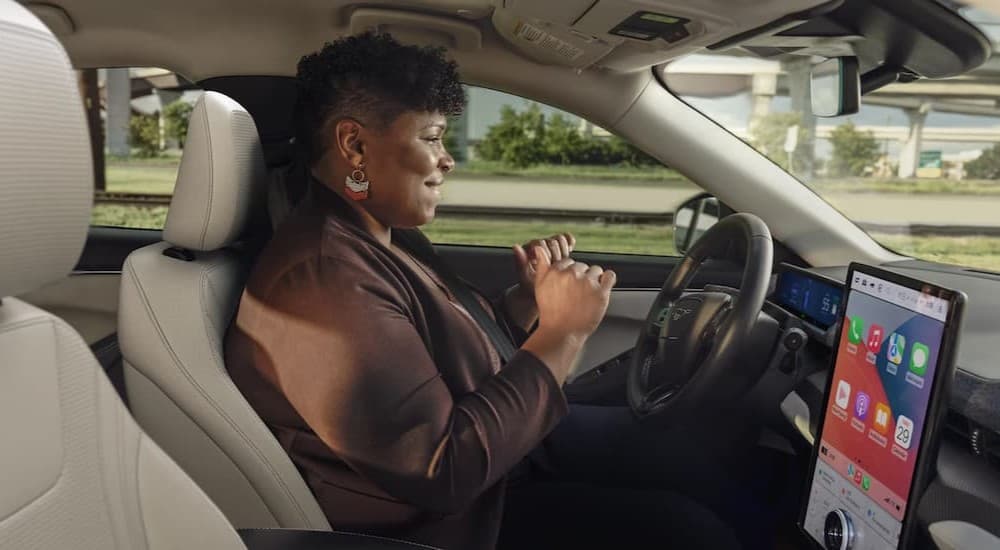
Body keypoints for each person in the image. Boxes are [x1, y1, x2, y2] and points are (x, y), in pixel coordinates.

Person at [225, 33, 741, 549]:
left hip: (500, 467)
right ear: (354, 144)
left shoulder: (377, 235)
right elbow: (442, 470)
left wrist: (523, 305)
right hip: (459, 523)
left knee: (700, 455)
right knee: (689, 529)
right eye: (430, 138)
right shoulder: (323, 277)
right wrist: (562, 332)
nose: (447, 159)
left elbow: (435, 356)